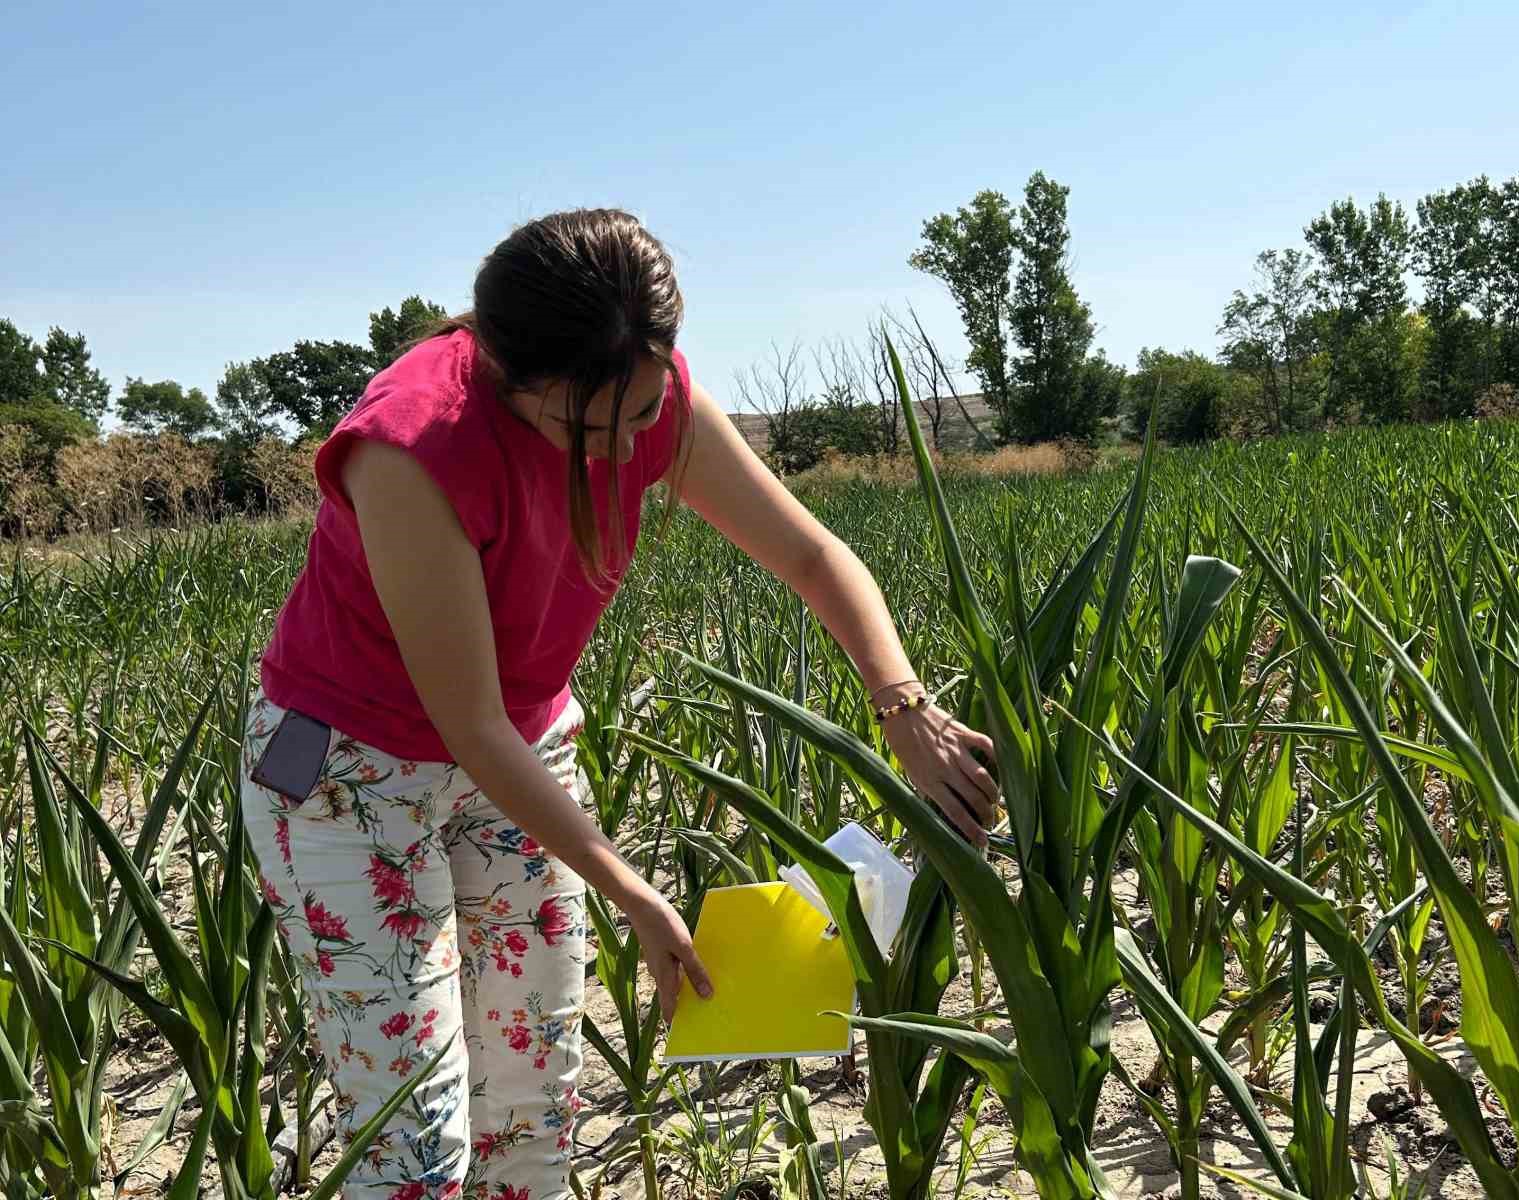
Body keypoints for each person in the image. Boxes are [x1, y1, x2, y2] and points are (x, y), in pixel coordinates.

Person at [239, 208, 1000, 1200]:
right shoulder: (412, 446)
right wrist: (633, 894)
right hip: (352, 773)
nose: (622, 450)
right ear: (510, 373)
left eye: (642, 417)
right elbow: (469, 725)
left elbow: (814, 555)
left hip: (521, 752)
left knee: (534, 1100)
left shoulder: (645, 391)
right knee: (412, 1142)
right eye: (587, 430)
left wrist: (904, 706)